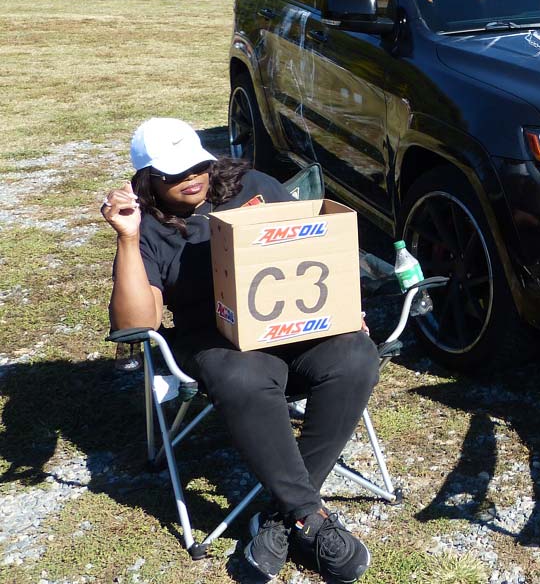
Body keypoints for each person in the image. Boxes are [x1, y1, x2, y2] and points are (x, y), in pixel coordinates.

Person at [102, 117, 379, 583]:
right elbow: (136, 326)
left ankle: (280, 515)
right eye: (171, 174)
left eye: (195, 165)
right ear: (146, 179)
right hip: (215, 340)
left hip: (298, 326)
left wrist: (349, 306)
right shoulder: (148, 226)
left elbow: (317, 245)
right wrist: (128, 238)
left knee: (356, 356)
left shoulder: (252, 184)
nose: (189, 178)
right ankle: (309, 515)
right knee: (244, 378)